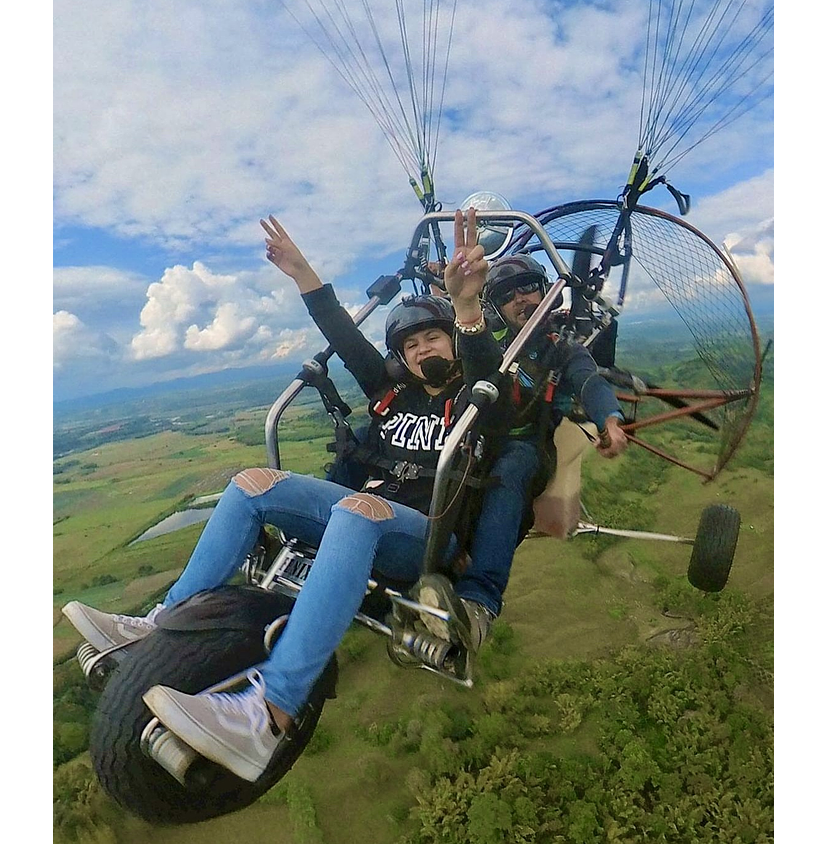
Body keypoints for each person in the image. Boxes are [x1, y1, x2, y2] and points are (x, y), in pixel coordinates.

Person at [62, 208, 501, 784]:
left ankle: (270, 712)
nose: (422, 351)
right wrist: (303, 276)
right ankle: (162, 623)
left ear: (451, 339)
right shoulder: (391, 393)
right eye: (411, 344)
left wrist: (466, 306)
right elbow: (344, 337)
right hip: (360, 517)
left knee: (357, 509)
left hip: (425, 539)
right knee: (251, 484)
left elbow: (486, 364)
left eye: (433, 337)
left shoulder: (477, 399)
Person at [411, 253, 630, 655]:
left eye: (529, 287)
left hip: (525, 443)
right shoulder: (484, 333)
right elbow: (462, 326)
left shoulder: (560, 350)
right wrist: (443, 279)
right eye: (508, 294)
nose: (521, 299)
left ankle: (479, 602)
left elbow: (588, 381)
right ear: (496, 304)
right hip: (474, 432)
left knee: (509, 471)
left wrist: (610, 419)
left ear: (545, 292)